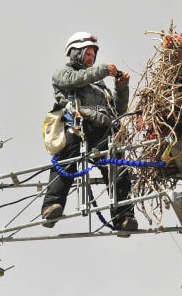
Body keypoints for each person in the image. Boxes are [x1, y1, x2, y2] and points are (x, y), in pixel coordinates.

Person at [41, 32, 137, 230]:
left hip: (103, 130)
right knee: (65, 163)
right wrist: (103, 70)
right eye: (88, 53)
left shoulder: (99, 86)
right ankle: (52, 206)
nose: (92, 57)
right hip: (78, 126)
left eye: (94, 54)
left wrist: (121, 87)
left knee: (117, 170)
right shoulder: (64, 73)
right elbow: (76, 80)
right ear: (75, 52)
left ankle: (124, 217)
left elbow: (118, 111)